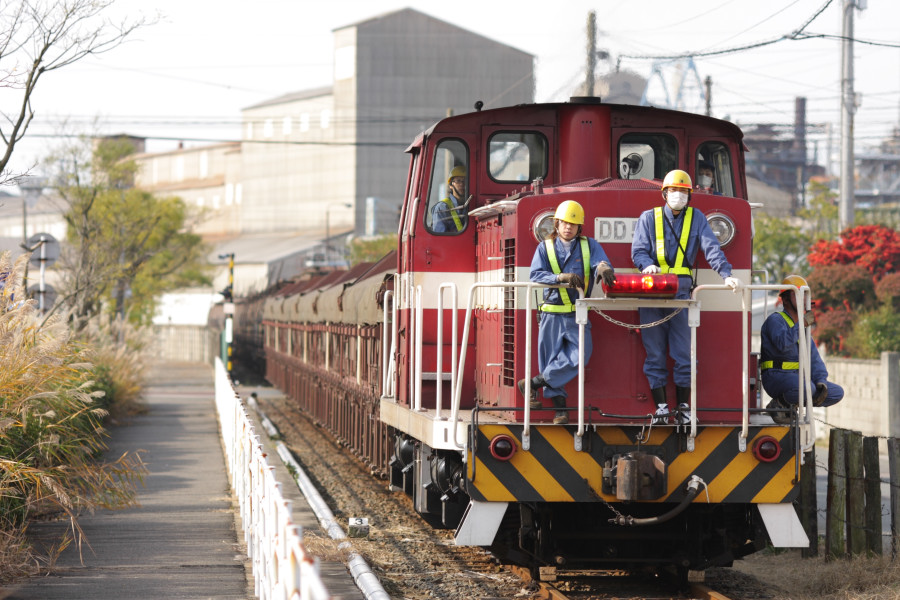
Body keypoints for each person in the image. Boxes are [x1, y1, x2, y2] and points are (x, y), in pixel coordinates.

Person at [631, 169, 741, 424]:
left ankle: (682, 407)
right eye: (674, 191)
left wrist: (726, 274)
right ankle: (660, 408)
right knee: (655, 353)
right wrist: (646, 264)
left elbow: (711, 248)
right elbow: (638, 251)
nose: (678, 195)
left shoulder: (697, 218)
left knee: (684, 354)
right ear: (664, 193)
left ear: (689, 195)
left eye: (683, 191)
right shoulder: (649, 218)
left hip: (681, 293)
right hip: (651, 291)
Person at [518, 200, 616, 424]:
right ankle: (560, 411)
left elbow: (600, 261)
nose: (568, 227)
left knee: (580, 356)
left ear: (579, 227)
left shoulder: (589, 245)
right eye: (564, 223)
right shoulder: (544, 247)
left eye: (573, 224)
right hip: (551, 314)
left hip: (576, 314)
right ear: (556, 224)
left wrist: (603, 267)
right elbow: (535, 275)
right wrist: (559, 278)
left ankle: (532, 383)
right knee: (551, 360)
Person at [761, 275, 844, 424]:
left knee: (836, 393)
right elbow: (782, 343)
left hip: (798, 381)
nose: (803, 297)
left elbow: (814, 359)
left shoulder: (803, 328)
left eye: (805, 293)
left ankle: (790, 403)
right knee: (807, 388)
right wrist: (803, 324)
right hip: (775, 377)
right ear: (785, 299)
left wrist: (821, 381)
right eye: (798, 293)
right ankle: (778, 404)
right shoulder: (775, 320)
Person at [431, 166, 468, 233]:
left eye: (465, 181)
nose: (462, 184)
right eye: (458, 181)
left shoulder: (472, 205)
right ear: (451, 185)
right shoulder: (442, 208)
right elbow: (440, 237)